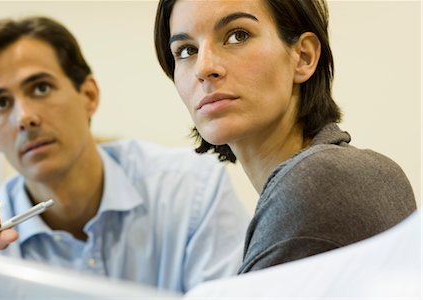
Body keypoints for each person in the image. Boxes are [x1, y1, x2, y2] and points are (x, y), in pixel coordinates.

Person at [0, 16, 250, 293]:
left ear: (89, 95)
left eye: (41, 88)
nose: (24, 118)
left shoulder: (193, 190)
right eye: (0, 104)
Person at [154, 0, 417, 274]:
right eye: (186, 51)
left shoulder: (320, 182)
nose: (204, 68)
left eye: (237, 36)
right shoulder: (362, 171)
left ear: (303, 57)